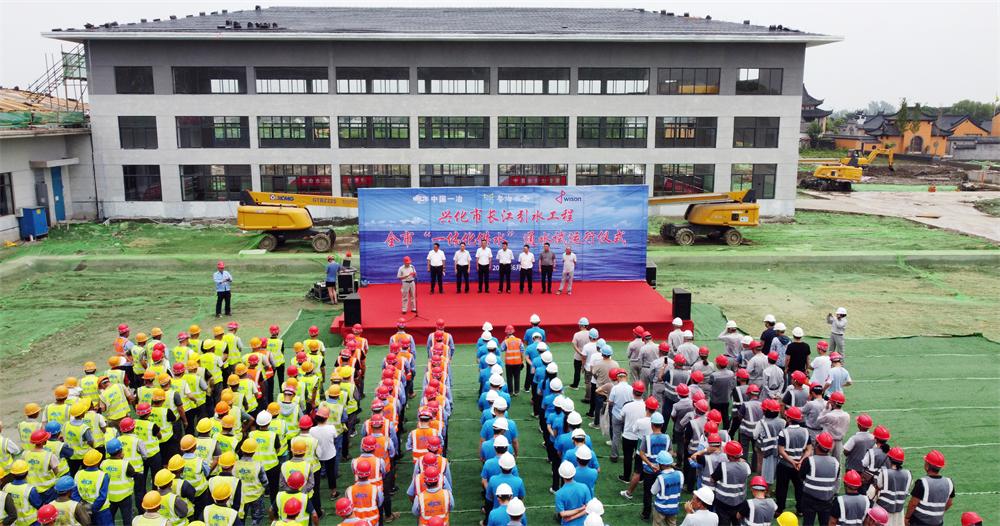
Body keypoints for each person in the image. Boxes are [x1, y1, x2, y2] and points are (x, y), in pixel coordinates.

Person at [905, 450, 953, 526]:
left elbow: (913, 504)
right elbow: (949, 503)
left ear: (927, 465)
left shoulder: (922, 482)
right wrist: (937, 514)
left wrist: (907, 518)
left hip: (919, 522)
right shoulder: (949, 482)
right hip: (938, 522)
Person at [649, 451, 682, 526]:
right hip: (674, 507)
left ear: (661, 465)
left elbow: (653, 491)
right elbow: (679, 487)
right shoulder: (680, 474)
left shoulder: (660, 477)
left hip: (660, 508)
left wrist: (657, 474)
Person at [554, 462, 592, 526]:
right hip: (584, 523)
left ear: (561, 475)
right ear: (574, 474)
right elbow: (589, 508)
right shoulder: (584, 487)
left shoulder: (559, 494)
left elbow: (563, 514)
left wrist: (572, 517)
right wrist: (580, 509)